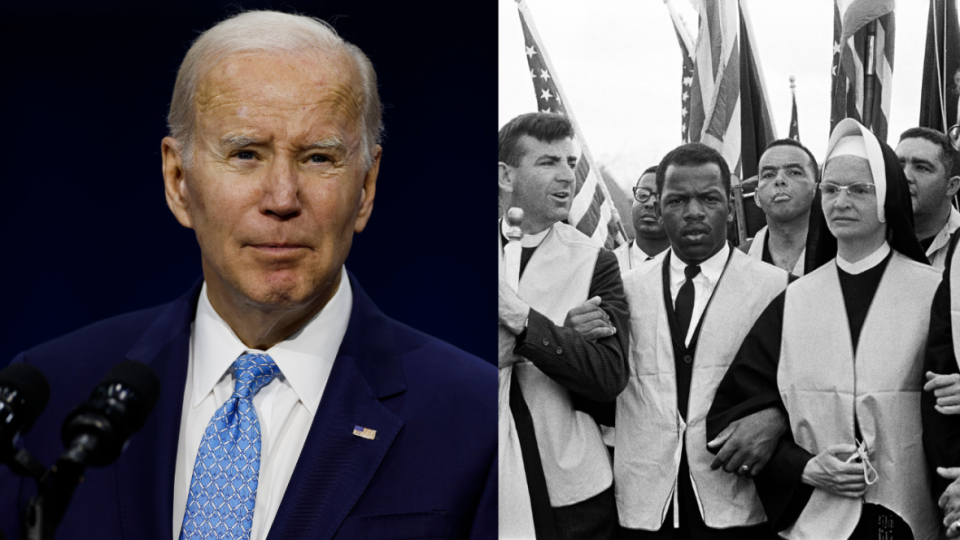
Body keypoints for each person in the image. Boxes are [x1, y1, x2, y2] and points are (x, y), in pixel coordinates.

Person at [0, 11, 495, 540]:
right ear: (178, 180)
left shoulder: (476, 420)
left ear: (366, 186)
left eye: (318, 157)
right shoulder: (52, 395)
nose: (282, 198)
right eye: (245, 154)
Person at [708, 118, 939, 539]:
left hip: (907, 515)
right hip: (816, 520)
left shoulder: (934, 292)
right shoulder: (794, 300)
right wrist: (804, 467)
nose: (841, 201)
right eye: (830, 190)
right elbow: (735, 410)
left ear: (887, 198)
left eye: (858, 190)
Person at [614, 143, 787, 539]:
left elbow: (804, 384)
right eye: (677, 200)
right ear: (658, 208)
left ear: (729, 205)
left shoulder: (776, 288)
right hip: (645, 502)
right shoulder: (624, 290)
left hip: (735, 501)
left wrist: (778, 416)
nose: (693, 212)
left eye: (708, 199)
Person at [498, 112, 628, 540]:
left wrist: (525, 324)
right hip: (475, 473)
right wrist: (563, 336)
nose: (567, 176)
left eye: (570, 163)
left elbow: (608, 377)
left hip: (570, 492)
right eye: (548, 162)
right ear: (505, 175)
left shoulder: (595, 261)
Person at [741, 139, 818, 276]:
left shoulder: (842, 253)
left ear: (815, 190)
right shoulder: (738, 262)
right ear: (757, 197)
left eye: (794, 172)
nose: (779, 180)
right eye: (769, 175)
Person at [896, 127, 960, 269]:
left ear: (951, 186)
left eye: (922, 168)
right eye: (898, 166)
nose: (904, 176)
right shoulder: (868, 232)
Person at [614, 166, 670, 273]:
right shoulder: (607, 265)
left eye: (661, 197)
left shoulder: (693, 268)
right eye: (642, 195)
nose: (649, 203)